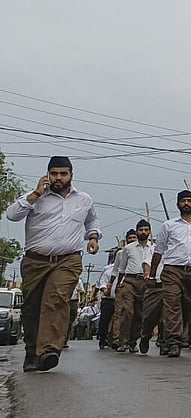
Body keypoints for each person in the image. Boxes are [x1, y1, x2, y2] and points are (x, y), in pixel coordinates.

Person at [4, 156, 100, 372]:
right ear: (47, 174)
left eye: (63, 173)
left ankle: (49, 351)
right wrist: (36, 193)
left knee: (55, 300)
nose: (58, 178)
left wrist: (93, 236)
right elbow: (11, 215)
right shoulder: (35, 196)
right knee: (31, 307)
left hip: (68, 260)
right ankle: (31, 352)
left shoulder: (84, 199)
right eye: (54, 173)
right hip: (36, 261)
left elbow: (92, 220)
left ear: (71, 175)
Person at [149, 190, 191, 358]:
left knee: (189, 306)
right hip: (172, 270)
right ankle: (174, 342)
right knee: (172, 304)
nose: (186, 204)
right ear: (178, 204)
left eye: (189, 201)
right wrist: (152, 275)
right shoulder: (169, 225)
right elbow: (158, 252)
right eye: (183, 201)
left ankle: (169, 337)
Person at [112, 220, 153, 353]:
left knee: (140, 314)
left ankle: (132, 342)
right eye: (141, 230)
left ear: (149, 232)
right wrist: (119, 284)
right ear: (137, 231)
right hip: (129, 281)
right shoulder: (128, 248)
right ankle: (122, 341)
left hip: (145, 283)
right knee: (127, 311)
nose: (143, 232)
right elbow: (121, 269)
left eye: (146, 230)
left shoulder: (153, 248)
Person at [96, 249, 118, 349]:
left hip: (121, 299)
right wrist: (105, 290)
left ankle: (116, 340)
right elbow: (102, 282)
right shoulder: (108, 269)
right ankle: (102, 338)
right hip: (108, 299)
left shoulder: (129, 269)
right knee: (105, 320)